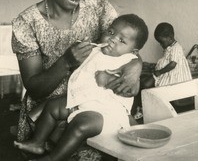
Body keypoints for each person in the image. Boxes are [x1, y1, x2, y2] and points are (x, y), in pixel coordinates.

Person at [12, 0, 142, 159]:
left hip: (98, 105)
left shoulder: (98, 6)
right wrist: (66, 63)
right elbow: (34, 87)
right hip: (50, 115)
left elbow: (127, 44)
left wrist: (136, 67)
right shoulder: (27, 23)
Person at [14, 14, 149, 161]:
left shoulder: (128, 60)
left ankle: (53, 158)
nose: (113, 39)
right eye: (111, 32)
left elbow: (130, 90)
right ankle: (37, 142)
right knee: (53, 106)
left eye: (122, 40)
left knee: (81, 124)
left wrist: (107, 78)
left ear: (134, 51)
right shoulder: (97, 51)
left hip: (108, 114)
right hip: (82, 102)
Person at [134, 22, 192, 120]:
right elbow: (166, 61)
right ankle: (141, 106)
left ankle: (143, 108)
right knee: (142, 81)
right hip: (165, 74)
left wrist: (159, 72)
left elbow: (173, 64)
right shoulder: (168, 47)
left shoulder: (177, 48)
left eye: (162, 42)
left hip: (173, 77)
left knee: (146, 84)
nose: (160, 44)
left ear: (170, 37)